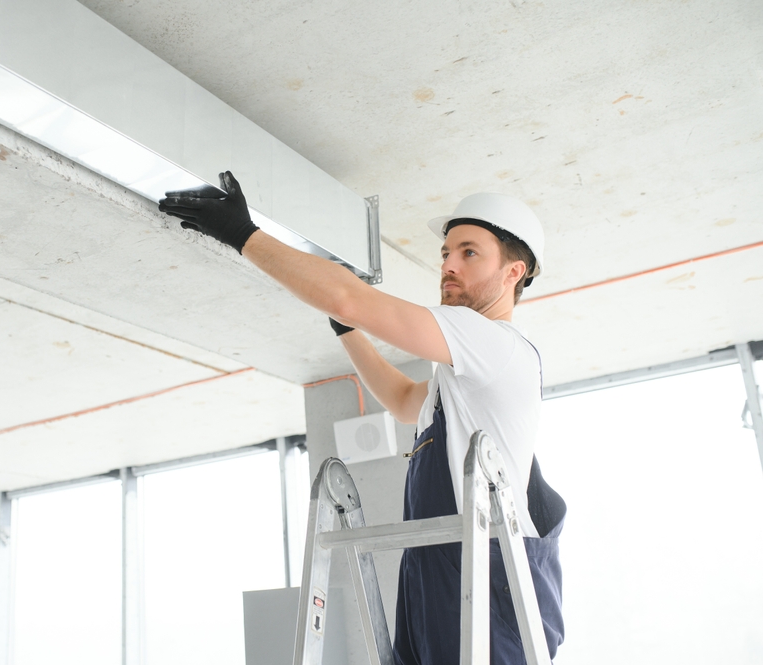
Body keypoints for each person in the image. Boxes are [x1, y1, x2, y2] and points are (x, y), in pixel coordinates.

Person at [159, 172, 566, 665]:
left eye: (469, 253)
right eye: (445, 253)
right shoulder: (461, 380)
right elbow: (401, 400)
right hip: (439, 571)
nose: (448, 265)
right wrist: (348, 331)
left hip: (483, 580)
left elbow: (348, 297)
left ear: (513, 273)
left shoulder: (495, 343)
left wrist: (240, 233)